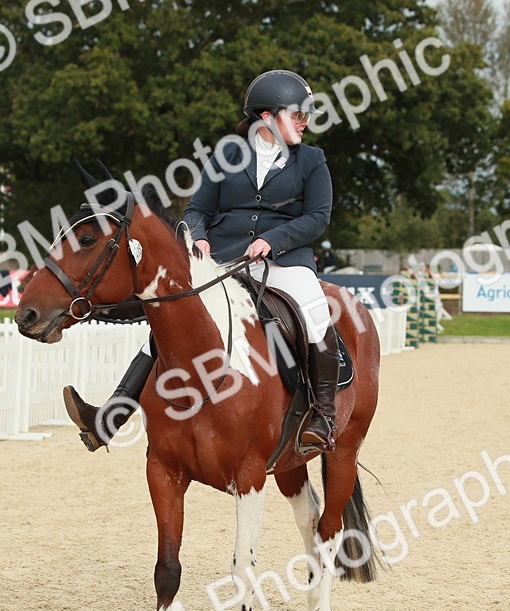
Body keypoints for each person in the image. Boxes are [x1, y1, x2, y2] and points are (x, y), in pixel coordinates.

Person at [62, 69, 337, 454]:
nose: (305, 123)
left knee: (313, 310)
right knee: (169, 323)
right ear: (267, 117)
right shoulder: (226, 155)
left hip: (284, 260)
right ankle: (110, 416)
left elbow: (318, 217)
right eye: (297, 115)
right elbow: (197, 209)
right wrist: (201, 238)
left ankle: (323, 416)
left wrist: (271, 240)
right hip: (222, 260)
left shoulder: (312, 160)